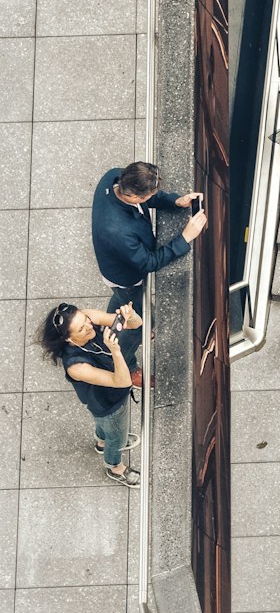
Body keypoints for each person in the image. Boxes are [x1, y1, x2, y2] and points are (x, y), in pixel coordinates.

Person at [37, 301, 143, 486]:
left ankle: (102, 442)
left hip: (103, 399)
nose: (89, 325)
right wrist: (116, 351)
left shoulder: (88, 319)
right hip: (108, 403)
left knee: (107, 428)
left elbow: (133, 324)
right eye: (81, 328)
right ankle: (115, 466)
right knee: (116, 435)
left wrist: (130, 316)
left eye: (85, 319)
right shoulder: (76, 367)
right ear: (69, 340)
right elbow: (123, 382)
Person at [91, 161, 207, 315]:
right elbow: (148, 262)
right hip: (125, 277)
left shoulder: (115, 176)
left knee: (121, 300)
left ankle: (110, 318)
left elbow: (149, 197)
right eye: (149, 195)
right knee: (136, 316)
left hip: (121, 258)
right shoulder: (118, 232)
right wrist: (184, 238)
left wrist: (176, 201)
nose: (152, 195)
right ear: (133, 196)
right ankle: (133, 333)